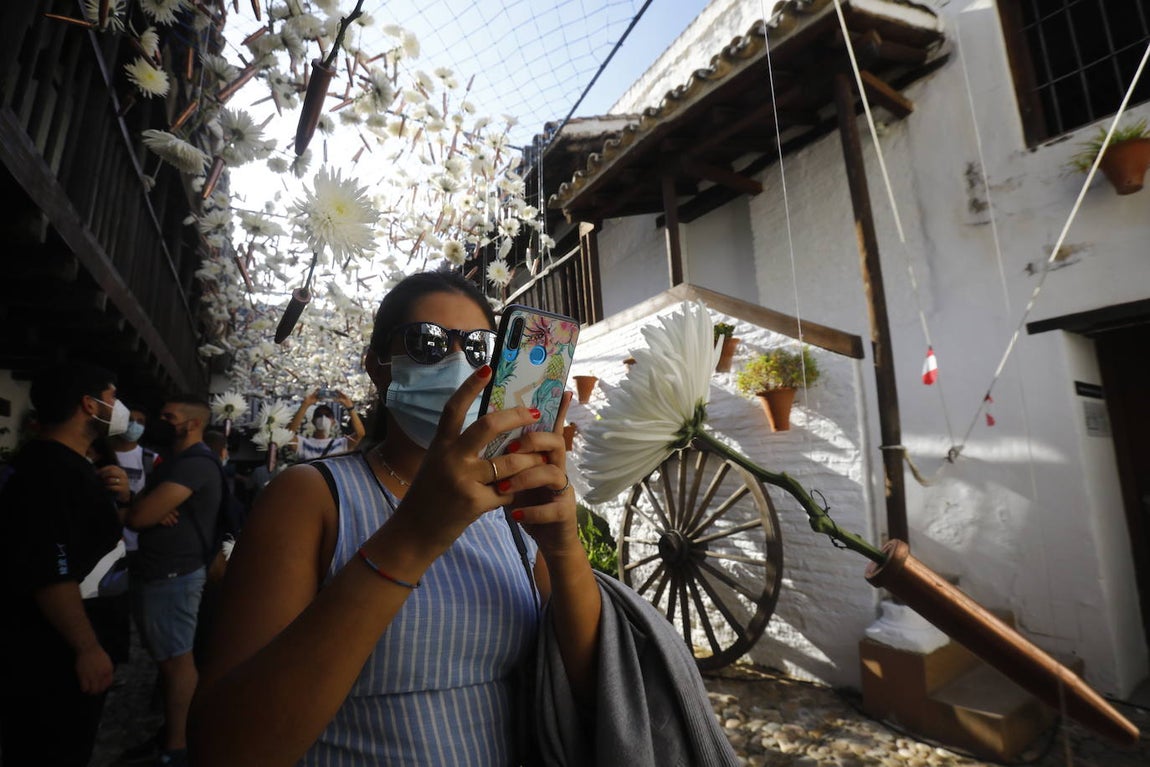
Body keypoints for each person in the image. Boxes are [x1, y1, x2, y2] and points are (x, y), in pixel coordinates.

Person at [189, 271, 738, 767]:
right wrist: (415, 535)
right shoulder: (310, 498)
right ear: (378, 366)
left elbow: (596, 689)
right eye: (426, 342)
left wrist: (562, 546)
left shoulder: (508, 511)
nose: (457, 362)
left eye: (478, 347)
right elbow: (227, 747)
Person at [0, 361, 132, 766]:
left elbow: (90, 546)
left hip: (73, 647)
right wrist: (86, 647)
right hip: (54, 656)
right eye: (111, 397)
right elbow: (50, 570)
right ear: (89, 405)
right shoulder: (49, 472)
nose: (118, 407)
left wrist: (122, 499)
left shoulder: (75, 466)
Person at [125, 395, 224, 767]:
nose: (161, 421)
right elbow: (145, 510)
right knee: (168, 660)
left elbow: (139, 516)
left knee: (176, 663)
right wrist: (148, 506)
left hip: (174, 575)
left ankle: (178, 747)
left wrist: (145, 507)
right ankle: (171, 736)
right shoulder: (176, 462)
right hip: (162, 571)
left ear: (193, 423)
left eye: (170, 417)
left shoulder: (194, 464)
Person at [285, 389, 365, 461]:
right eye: (318, 415)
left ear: (333, 421)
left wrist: (349, 406)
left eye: (328, 415)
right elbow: (288, 435)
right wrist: (305, 404)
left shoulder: (341, 444)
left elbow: (360, 434)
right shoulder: (303, 444)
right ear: (313, 421)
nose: (323, 418)